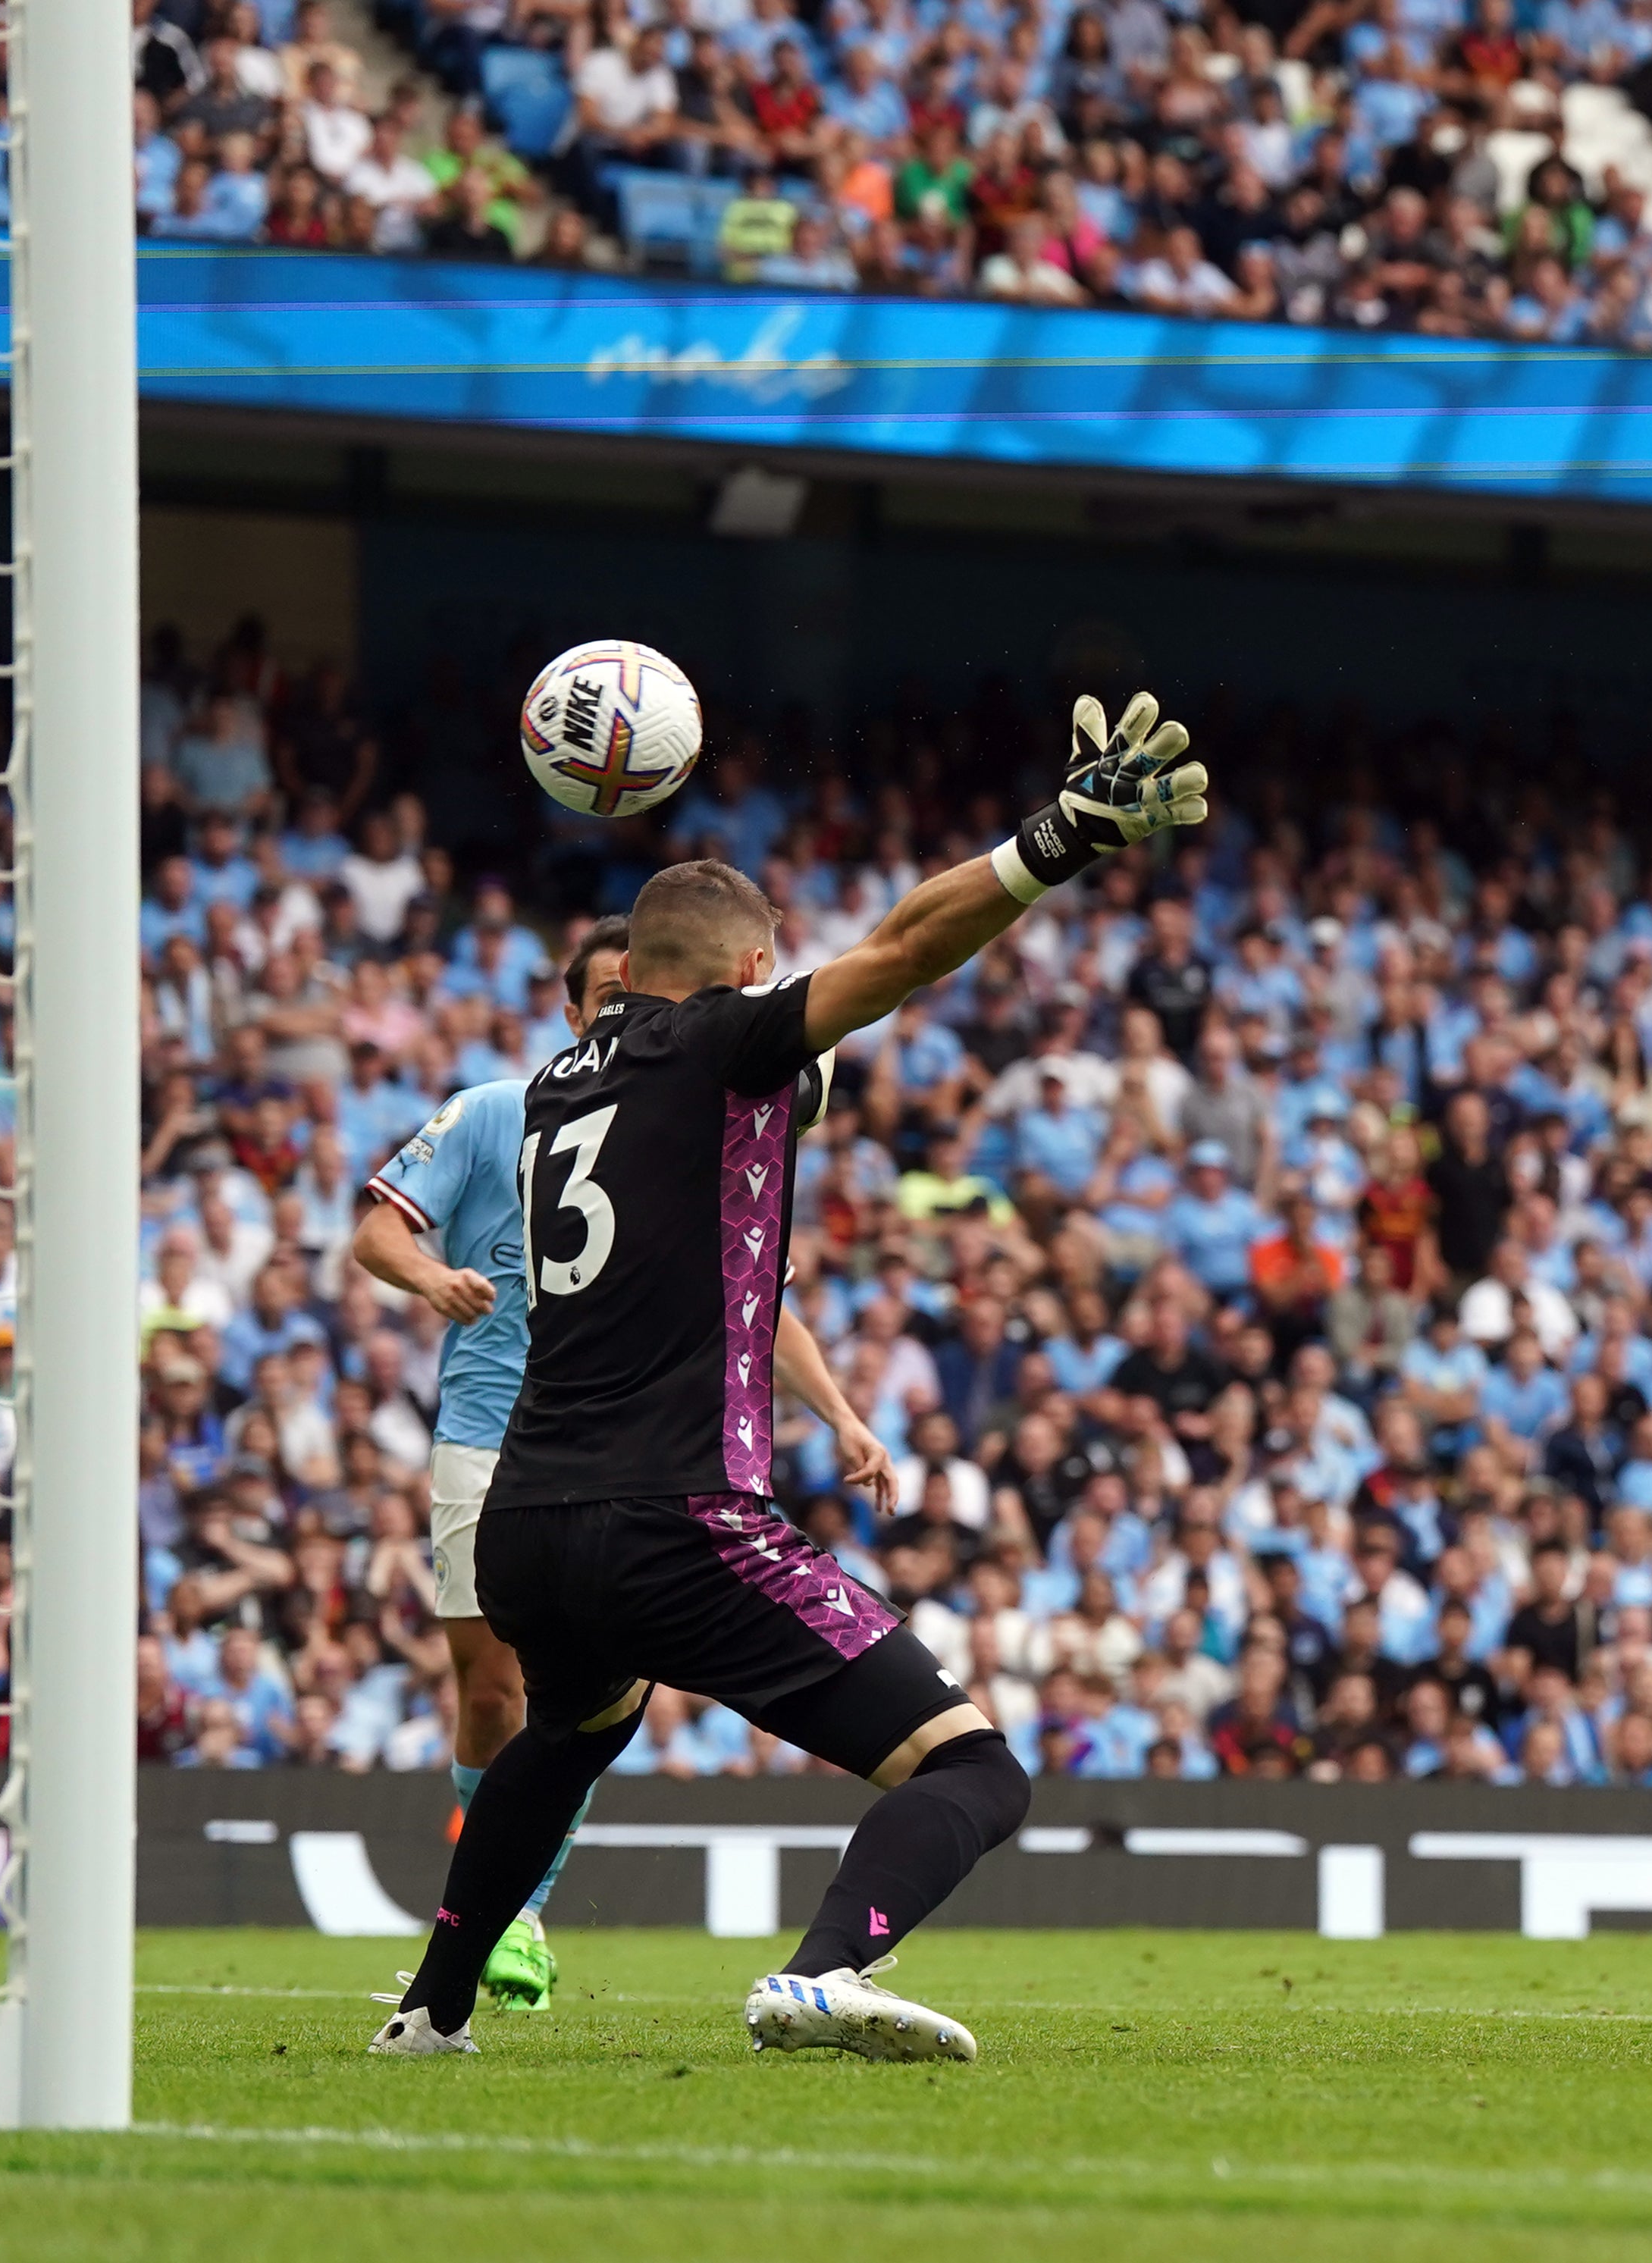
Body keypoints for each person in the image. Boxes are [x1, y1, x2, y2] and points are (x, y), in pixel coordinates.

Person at [371, 691, 1211, 2061]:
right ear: (751, 969)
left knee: (573, 1731)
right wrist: (1054, 841)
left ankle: (431, 2011)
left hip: (529, 1516)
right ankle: (825, 1973)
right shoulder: (722, 1046)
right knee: (975, 1767)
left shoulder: (543, 1096)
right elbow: (906, 945)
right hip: (675, 1516)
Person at [353, 918, 892, 2011]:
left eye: (632, 996)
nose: (622, 1018)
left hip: (623, 1449)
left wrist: (839, 1412)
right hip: (489, 1422)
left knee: (592, 1693)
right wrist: (432, 1280)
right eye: (601, 1002)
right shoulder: (499, 1110)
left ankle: (518, 1917)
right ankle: (494, 1921)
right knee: (492, 1685)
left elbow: (756, 1293)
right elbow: (375, 1232)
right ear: (568, 1015)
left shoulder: (690, 1114)